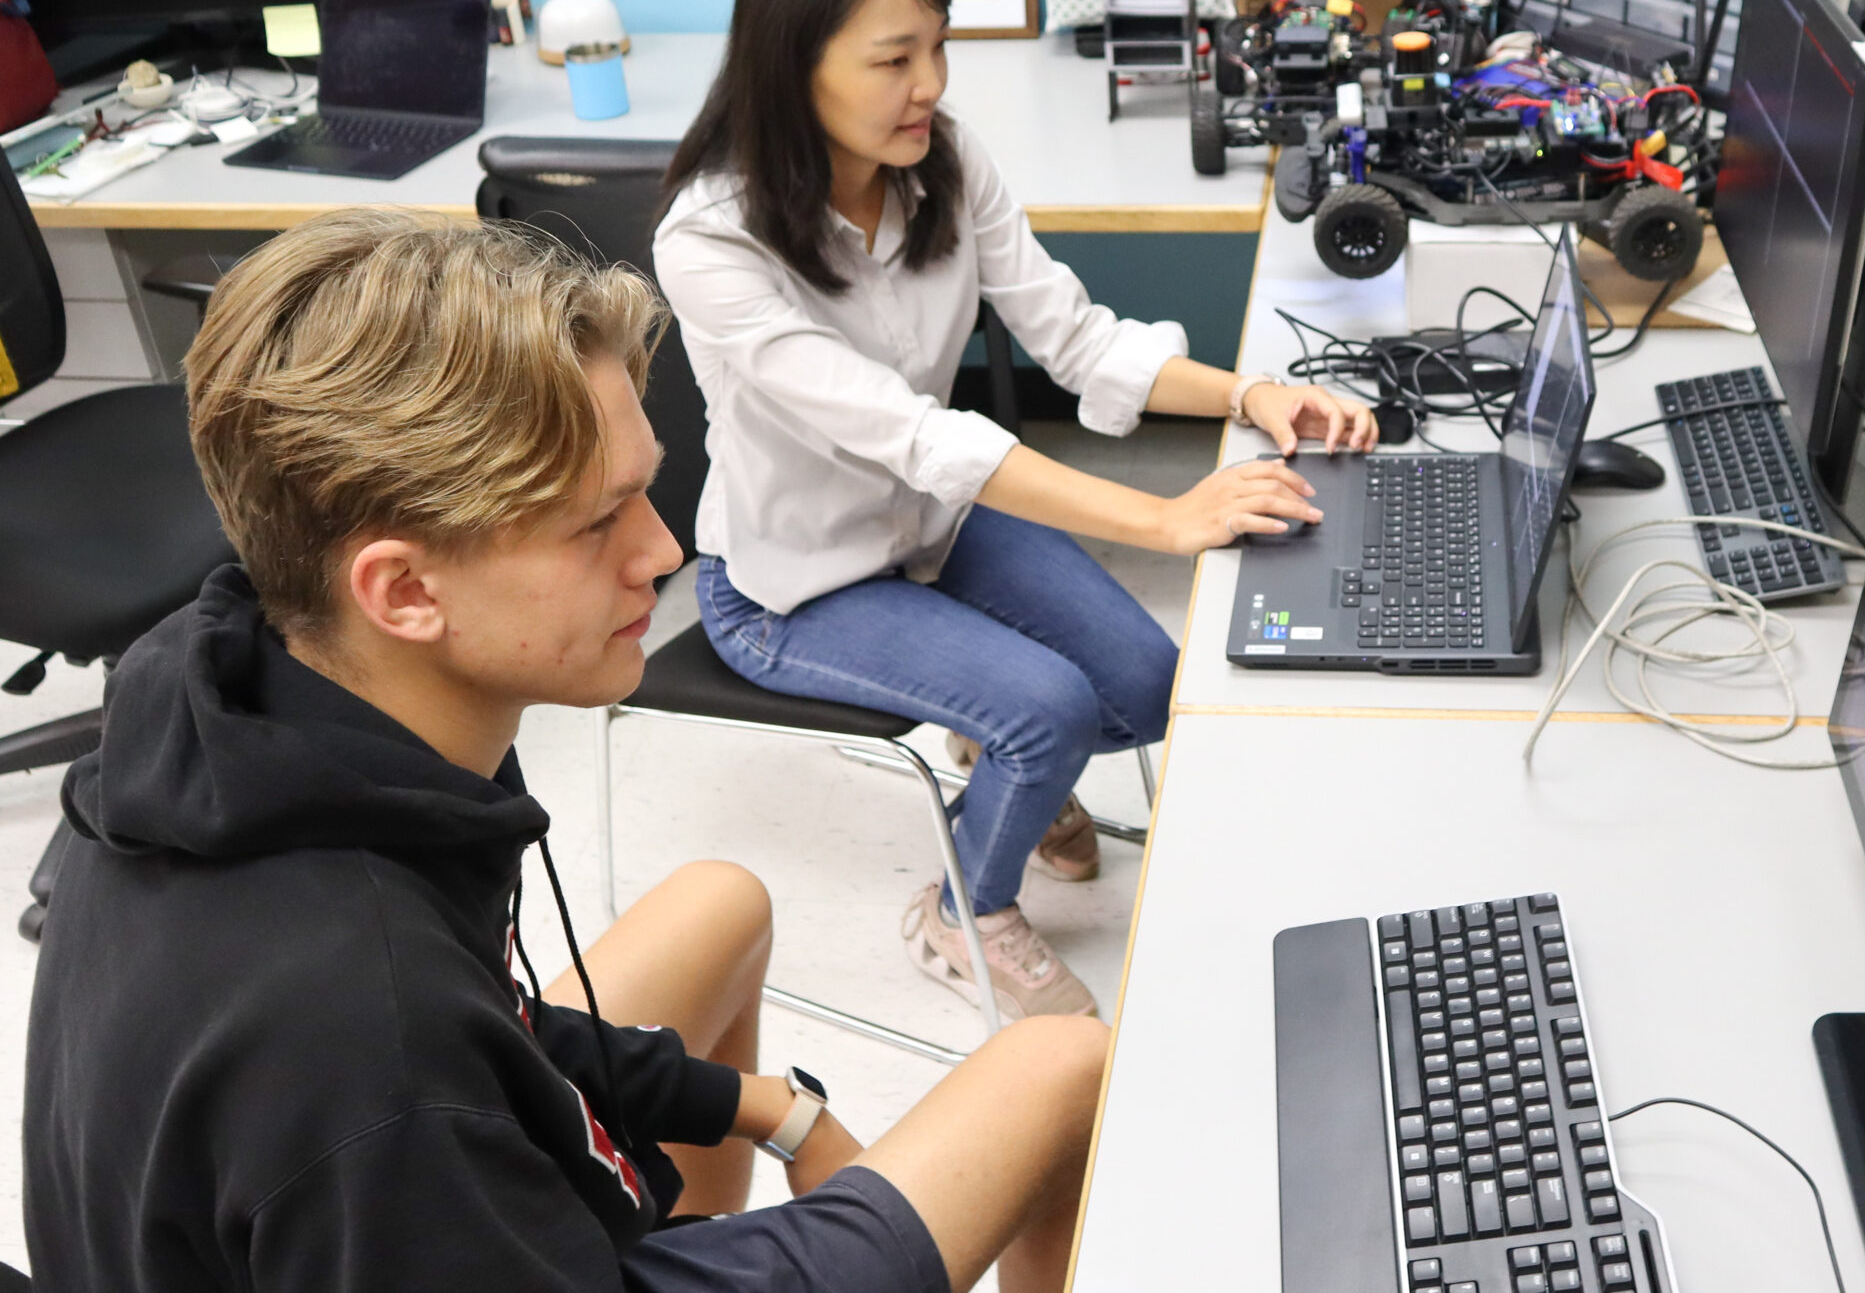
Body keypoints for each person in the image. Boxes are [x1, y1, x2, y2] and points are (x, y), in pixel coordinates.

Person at [23, 208, 1107, 1293]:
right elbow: (425, 1054)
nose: (664, 552)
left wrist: (775, 1110)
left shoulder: (247, 689)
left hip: (413, 1205)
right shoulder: (369, 1046)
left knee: (720, 903)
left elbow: (489, 1022)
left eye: (647, 490)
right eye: (599, 524)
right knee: (1064, 1067)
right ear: (403, 591)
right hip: (416, 1199)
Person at [654, 0, 1378, 1020]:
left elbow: (1077, 340)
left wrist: (1252, 391)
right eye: (895, 58)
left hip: (934, 529)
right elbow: (916, 433)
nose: (931, 84)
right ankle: (960, 905)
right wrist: (1165, 519)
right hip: (796, 586)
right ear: (792, 66)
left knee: (1142, 688)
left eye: (937, 48)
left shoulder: (938, 161)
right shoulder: (710, 240)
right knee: (1049, 711)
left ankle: (999, 753)